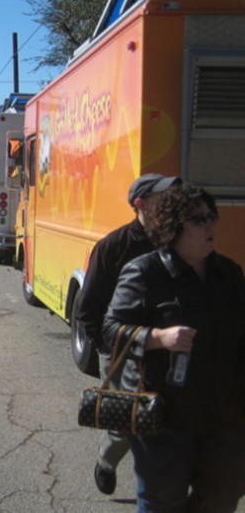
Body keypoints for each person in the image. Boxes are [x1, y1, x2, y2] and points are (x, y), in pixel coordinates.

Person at [102, 184, 245, 512]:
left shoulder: (230, 273)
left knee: (221, 498)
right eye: (199, 220)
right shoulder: (145, 273)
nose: (210, 225)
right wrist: (157, 338)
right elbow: (110, 330)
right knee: (162, 503)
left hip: (226, 418)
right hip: (165, 420)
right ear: (173, 228)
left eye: (212, 217)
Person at [76, 173, 181, 495]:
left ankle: (157, 489)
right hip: (125, 350)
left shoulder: (179, 240)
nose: (172, 203)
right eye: (163, 198)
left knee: (169, 422)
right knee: (126, 424)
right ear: (140, 204)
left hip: (172, 351)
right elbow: (87, 309)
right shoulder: (114, 246)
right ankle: (106, 462)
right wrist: (108, 350)